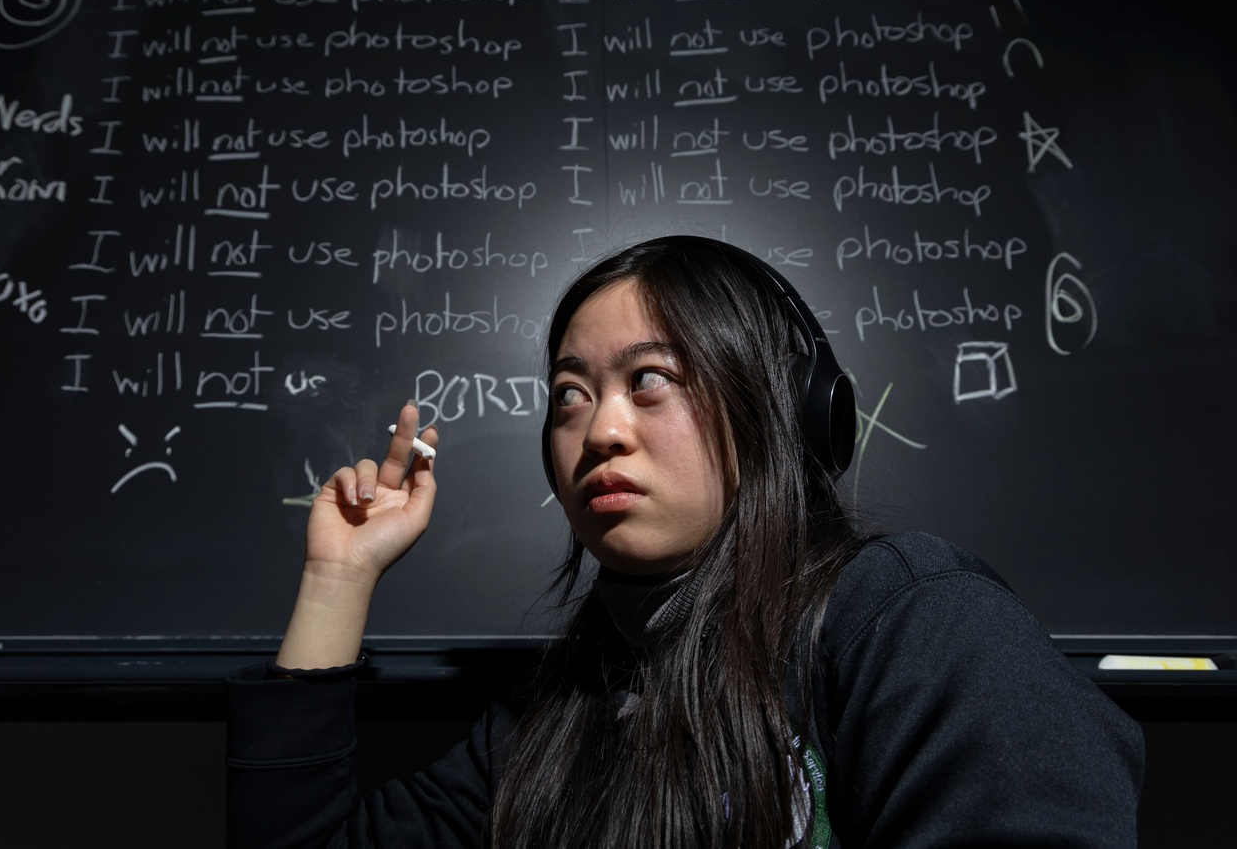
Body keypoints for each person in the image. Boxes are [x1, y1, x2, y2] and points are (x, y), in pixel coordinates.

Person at [228, 235, 1143, 849]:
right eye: (570, 396)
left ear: (780, 409)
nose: (600, 432)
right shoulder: (554, 723)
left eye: (651, 379)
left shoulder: (914, 625)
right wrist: (334, 580)